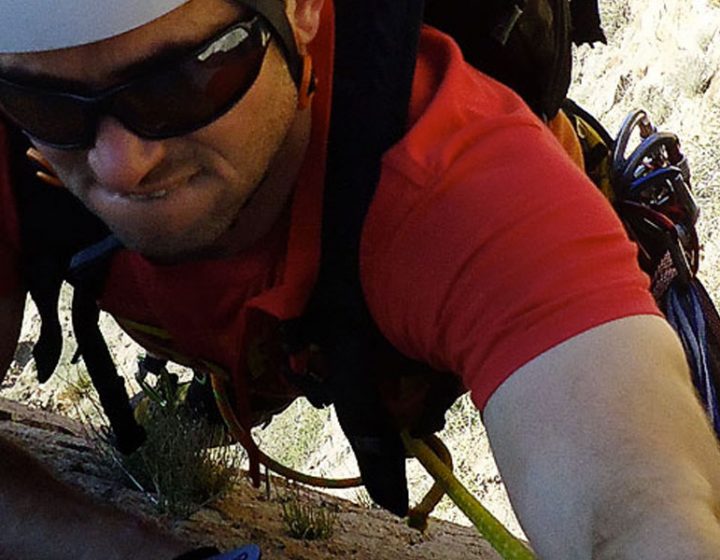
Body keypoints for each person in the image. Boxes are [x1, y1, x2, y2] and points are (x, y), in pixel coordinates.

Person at [0, 0, 718, 558]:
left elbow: (633, 510)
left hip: (389, 312)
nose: (122, 165)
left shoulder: (451, 176)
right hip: (266, 338)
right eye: (48, 106)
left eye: (182, 80)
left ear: (304, 11)